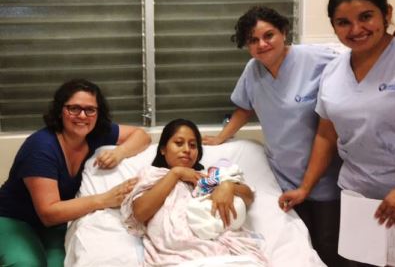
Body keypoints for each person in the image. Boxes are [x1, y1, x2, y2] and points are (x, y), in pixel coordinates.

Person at [202, 6, 347, 266]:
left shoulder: (318, 58)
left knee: (329, 247)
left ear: (283, 32)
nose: (262, 44)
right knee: (298, 249)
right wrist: (220, 137)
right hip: (285, 180)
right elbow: (244, 108)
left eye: (269, 35)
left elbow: (358, 60)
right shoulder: (253, 70)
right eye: (253, 40)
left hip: (325, 179)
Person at [279, 0, 395, 266]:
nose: (356, 29)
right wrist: (305, 188)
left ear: (388, 14)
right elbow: (326, 134)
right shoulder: (333, 72)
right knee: (360, 263)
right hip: (358, 196)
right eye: (343, 22)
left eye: (366, 16)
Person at [0, 79, 151, 266]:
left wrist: (119, 152)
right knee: (27, 264)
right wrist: (105, 199)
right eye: (74, 108)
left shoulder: (95, 133)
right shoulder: (41, 148)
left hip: (55, 225)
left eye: (90, 110)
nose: (82, 115)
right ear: (60, 111)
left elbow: (142, 136)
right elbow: (48, 213)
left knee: (64, 263)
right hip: (13, 219)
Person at [120, 118, 267, 266]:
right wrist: (175, 174)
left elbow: (248, 197)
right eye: (178, 143)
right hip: (176, 256)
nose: (186, 150)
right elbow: (140, 213)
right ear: (163, 149)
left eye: (192, 145)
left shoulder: (206, 177)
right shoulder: (152, 175)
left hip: (222, 251)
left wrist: (228, 186)